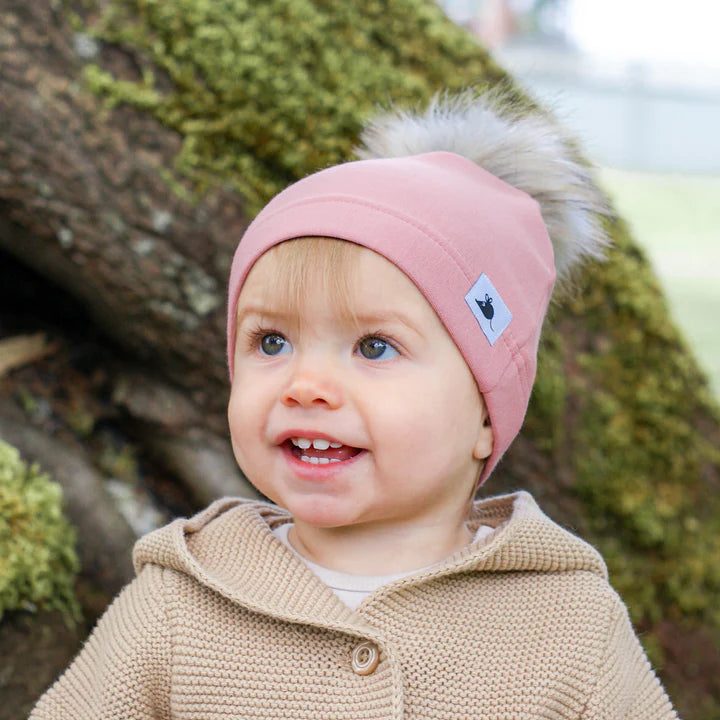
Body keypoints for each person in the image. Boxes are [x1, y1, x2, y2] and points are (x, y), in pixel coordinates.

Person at [30, 90, 679, 719]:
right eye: (272, 341)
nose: (305, 385)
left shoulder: (566, 627)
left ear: (485, 412)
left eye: (373, 347)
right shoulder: (181, 603)